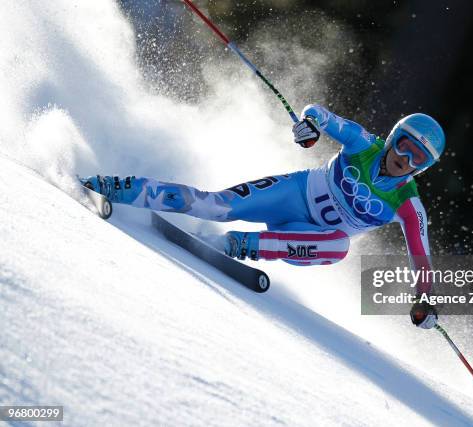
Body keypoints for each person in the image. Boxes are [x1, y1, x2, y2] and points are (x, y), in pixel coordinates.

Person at [81, 104, 444, 329]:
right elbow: (319, 113)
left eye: (418, 159)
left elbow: (421, 259)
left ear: (425, 169)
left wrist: (424, 299)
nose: (405, 160)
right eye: (404, 147)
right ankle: (118, 188)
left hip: (309, 239)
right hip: (291, 195)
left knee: (339, 246)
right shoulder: (364, 144)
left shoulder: (408, 204)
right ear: (393, 138)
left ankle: (238, 245)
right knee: (214, 205)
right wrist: (310, 126)